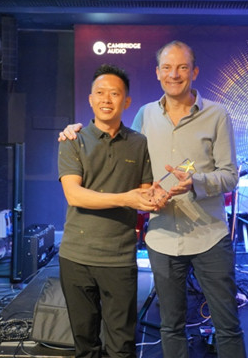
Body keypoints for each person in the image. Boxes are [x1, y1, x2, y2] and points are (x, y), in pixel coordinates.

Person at [60, 41, 247, 357]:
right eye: (167, 68)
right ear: (158, 73)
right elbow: (119, 145)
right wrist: (74, 131)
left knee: (227, 325)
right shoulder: (145, 114)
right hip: (162, 237)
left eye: (182, 67)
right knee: (170, 326)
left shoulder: (217, 114)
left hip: (209, 236)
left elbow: (230, 175)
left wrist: (195, 182)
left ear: (194, 72)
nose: (174, 74)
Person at [57, 63, 167, 358]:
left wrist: (161, 195)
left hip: (119, 258)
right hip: (76, 256)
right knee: (85, 345)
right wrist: (126, 199)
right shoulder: (73, 140)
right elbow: (74, 195)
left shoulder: (139, 143)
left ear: (126, 101)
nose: (107, 99)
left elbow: (145, 194)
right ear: (90, 99)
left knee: (121, 346)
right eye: (100, 93)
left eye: (115, 93)